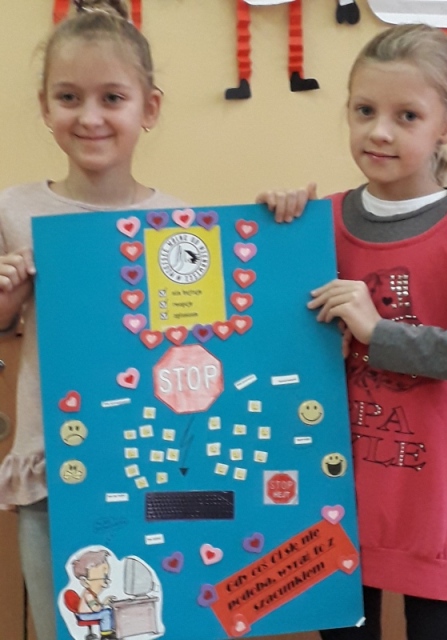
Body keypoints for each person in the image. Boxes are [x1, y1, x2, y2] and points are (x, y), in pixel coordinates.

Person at [258, 23, 447, 640]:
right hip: (332, 501)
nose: (379, 131)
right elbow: (269, 344)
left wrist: (380, 334)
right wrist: (273, 228)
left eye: (407, 115)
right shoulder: (317, 221)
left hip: (434, 509)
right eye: (364, 111)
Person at [0, 2, 186, 639]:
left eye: (112, 97)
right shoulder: (14, 211)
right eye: (69, 97)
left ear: (149, 108)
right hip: (53, 471)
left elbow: (197, 341)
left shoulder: (179, 223)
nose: (90, 117)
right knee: (68, 626)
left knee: (152, 621)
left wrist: (281, 218)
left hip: (151, 467)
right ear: (45, 106)